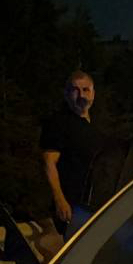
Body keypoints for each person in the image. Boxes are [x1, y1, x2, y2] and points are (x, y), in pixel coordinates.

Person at [40, 70, 105, 236]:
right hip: (73, 206)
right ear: (67, 94)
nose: (81, 95)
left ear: (93, 93)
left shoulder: (97, 124)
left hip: (96, 204)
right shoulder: (58, 123)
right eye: (75, 90)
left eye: (85, 89)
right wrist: (60, 200)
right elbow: (49, 163)